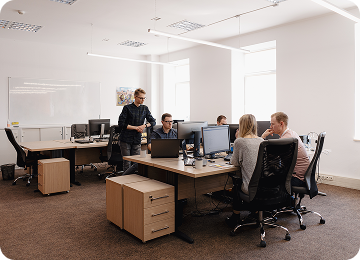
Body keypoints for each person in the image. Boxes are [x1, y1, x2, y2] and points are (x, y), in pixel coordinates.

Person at [226, 114, 264, 228]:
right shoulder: (261, 140)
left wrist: (238, 139)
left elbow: (235, 163)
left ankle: (235, 216)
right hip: (265, 186)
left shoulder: (240, 141)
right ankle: (256, 211)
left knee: (237, 183)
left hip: (251, 188)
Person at [261, 112, 310, 188]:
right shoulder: (291, 134)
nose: (270, 127)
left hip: (297, 178)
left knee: (262, 179)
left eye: (273, 124)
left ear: (281, 124)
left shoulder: (286, 139)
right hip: (303, 176)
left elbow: (265, 155)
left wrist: (263, 136)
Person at [118, 88, 156, 171]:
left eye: (144, 98)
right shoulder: (127, 108)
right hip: (126, 139)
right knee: (127, 162)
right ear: (135, 97)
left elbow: (153, 122)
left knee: (136, 162)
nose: (143, 100)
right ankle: (126, 180)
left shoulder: (145, 108)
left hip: (137, 139)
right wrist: (136, 128)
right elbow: (121, 124)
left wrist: (144, 126)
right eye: (141, 98)